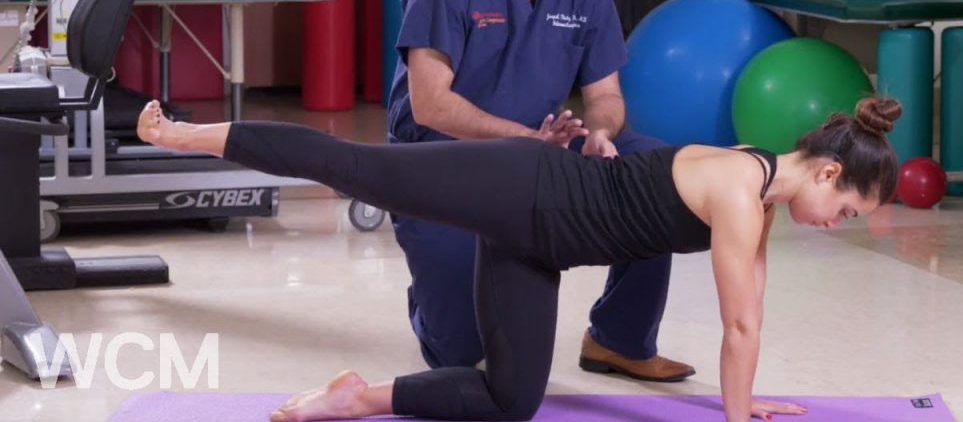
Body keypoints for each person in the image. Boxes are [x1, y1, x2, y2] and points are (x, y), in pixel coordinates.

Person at [136, 95, 902, 422]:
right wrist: (736, 418)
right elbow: (738, 326)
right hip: (523, 188)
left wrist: (746, 399)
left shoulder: (758, 190)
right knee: (359, 168)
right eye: (847, 211)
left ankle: (356, 397)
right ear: (830, 173)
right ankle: (182, 133)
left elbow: (750, 309)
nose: (836, 224)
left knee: (511, 401)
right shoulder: (740, 189)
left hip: (538, 246)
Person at [385, 0, 690, 381]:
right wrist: (525, 138)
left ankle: (618, 338)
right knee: (459, 354)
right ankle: (430, 299)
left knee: (658, 172)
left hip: (539, 153)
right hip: (440, 161)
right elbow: (430, 104)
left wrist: (600, 133)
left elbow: (606, 95)